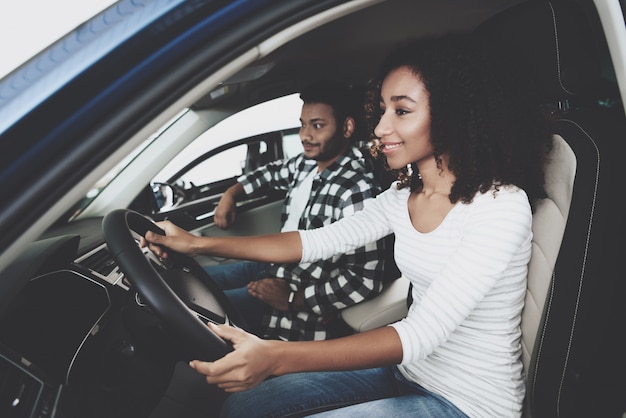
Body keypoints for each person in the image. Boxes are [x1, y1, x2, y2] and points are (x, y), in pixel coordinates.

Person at [143, 33, 554, 417]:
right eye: (383, 111)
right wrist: (196, 245)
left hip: (467, 402)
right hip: (409, 370)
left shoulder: (500, 206)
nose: (380, 128)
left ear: (453, 115)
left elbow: (420, 334)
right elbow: (312, 242)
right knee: (247, 403)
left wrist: (276, 356)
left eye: (402, 111)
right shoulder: (403, 197)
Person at [201, 80, 389, 341]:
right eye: (303, 124)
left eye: (317, 126)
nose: (304, 135)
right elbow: (269, 173)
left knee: (199, 312)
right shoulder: (305, 164)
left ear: (347, 128)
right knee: (192, 279)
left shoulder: (355, 190)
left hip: (293, 293)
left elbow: (363, 280)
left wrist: (294, 300)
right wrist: (230, 195)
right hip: (270, 266)